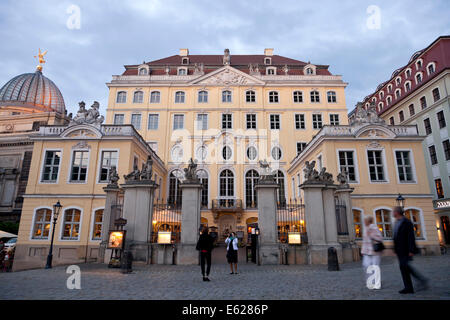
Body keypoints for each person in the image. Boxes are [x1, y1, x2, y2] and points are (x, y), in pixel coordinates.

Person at [393, 206, 428, 294]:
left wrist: (411, 250)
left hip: (406, 249)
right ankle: (413, 285)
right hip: (399, 250)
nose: (392, 213)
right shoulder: (397, 222)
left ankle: (412, 285)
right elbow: (396, 236)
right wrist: (395, 248)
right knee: (404, 267)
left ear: (397, 212)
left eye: (393, 211)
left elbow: (410, 237)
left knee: (404, 267)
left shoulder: (407, 222)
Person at [361, 216, 383, 289]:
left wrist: (372, 236)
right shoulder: (365, 229)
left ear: (368, 221)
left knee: (375, 267)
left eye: (365, 220)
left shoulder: (374, 228)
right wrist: (362, 250)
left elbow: (380, 238)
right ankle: (370, 282)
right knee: (366, 265)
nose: (364, 222)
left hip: (375, 251)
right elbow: (364, 241)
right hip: (367, 251)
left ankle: (377, 284)